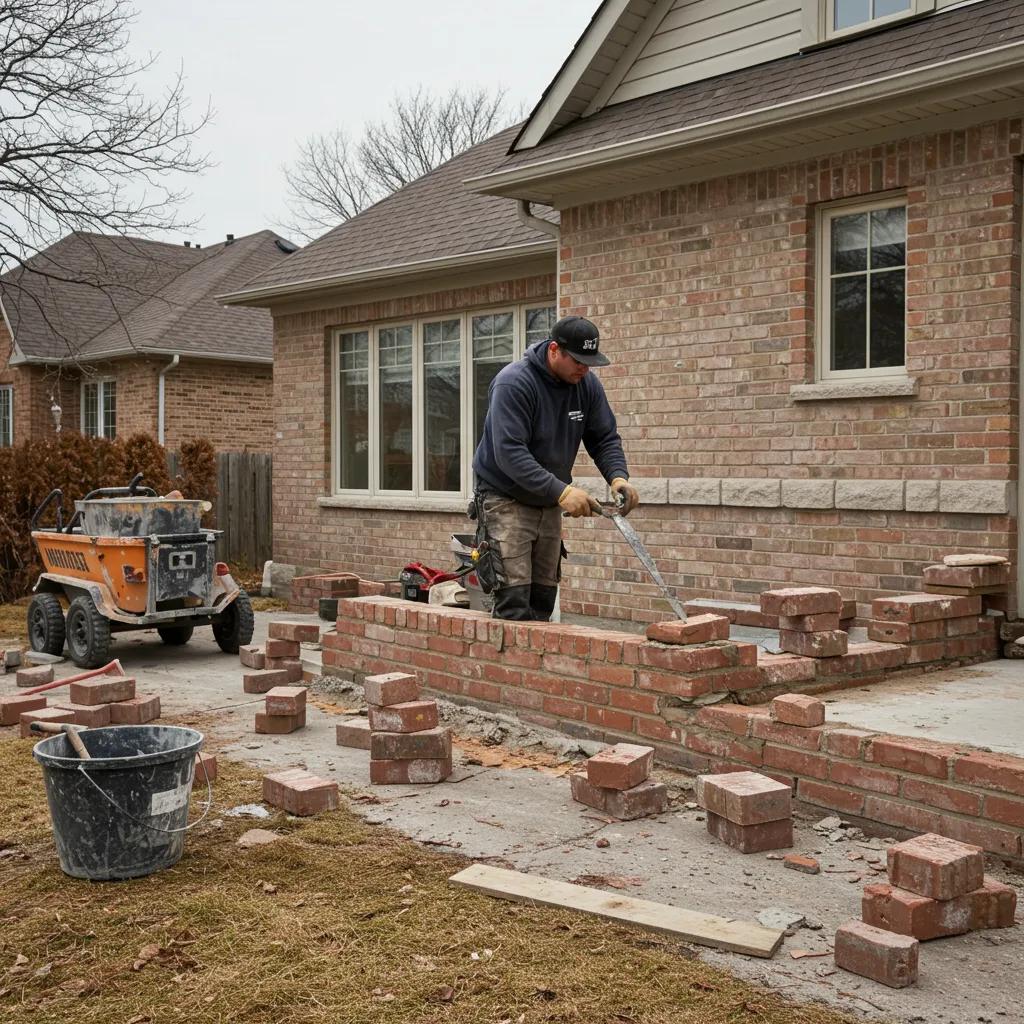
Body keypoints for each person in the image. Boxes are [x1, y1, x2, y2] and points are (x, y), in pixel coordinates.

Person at [471, 315, 638, 621]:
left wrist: (618, 477)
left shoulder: (586, 385)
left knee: (542, 598)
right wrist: (562, 491)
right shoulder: (515, 383)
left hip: (547, 499)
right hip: (504, 498)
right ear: (553, 350)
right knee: (514, 600)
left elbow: (603, 437)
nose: (584, 368)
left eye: (590, 361)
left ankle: (536, 668)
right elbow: (510, 453)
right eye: (577, 360)